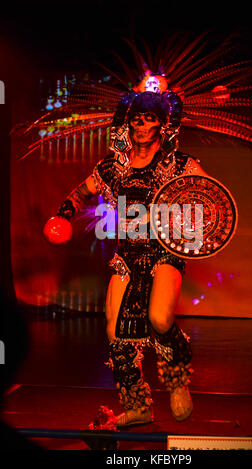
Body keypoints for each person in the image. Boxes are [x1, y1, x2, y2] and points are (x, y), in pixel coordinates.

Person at [50, 88, 210, 427]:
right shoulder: (112, 167)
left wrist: (186, 220)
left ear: (163, 126)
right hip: (127, 256)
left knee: (160, 319)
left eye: (149, 120)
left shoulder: (180, 165)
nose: (140, 127)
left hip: (165, 253)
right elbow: (80, 192)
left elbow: (208, 199)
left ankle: (178, 380)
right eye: (136, 120)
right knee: (115, 332)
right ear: (126, 124)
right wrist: (63, 214)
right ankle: (138, 405)